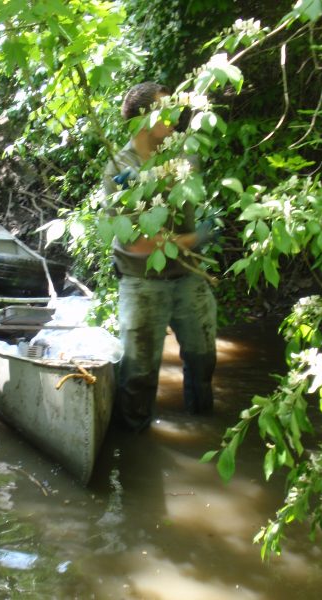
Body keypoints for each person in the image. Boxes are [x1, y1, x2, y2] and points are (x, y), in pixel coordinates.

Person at [102, 81, 219, 432]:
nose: (174, 115)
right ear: (139, 119)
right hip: (141, 281)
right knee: (138, 372)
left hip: (189, 275)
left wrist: (206, 223)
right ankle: (135, 452)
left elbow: (196, 203)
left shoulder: (185, 155)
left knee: (203, 360)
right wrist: (195, 237)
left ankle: (205, 430)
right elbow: (135, 243)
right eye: (163, 109)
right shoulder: (118, 170)